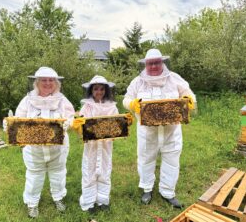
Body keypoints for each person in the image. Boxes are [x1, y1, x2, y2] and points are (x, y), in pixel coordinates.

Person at [123, 49, 196, 208]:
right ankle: (147, 189)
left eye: (157, 62)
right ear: (146, 64)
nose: (154, 66)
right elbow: (126, 99)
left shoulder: (174, 78)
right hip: (147, 133)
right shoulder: (138, 81)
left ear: (162, 62)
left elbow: (188, 93)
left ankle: (168, 192)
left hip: (171, 132)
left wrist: (189, 100)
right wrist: (132, 104)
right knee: (145, 159)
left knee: (172, 161)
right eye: (151, 63)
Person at [11, 67, 75, 218]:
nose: (48, 83)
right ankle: (32, 204)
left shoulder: (62, 99)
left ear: (56, 82)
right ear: (37, 82)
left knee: (58, 173)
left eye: (51, 80)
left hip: (57, 148)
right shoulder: (27, 100)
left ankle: (58, 198)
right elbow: (18, 120)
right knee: (34, 176)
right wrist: (10, 125)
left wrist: (68, 123)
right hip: (34, 150)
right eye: (44, 80)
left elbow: (72, 116)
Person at [73, 75, 119, 213]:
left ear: (106, 90)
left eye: (101, 89)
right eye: (95, 89)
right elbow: (81, 125)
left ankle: (103, 201)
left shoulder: (112, 107)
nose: (99, 92)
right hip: (91, 147)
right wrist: (79, 126)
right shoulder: (86, 107)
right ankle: (88, 203)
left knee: (105, 171)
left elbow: (117, 125)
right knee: (89, 173)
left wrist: (123, 125)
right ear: (91, 91)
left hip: (106, 146)